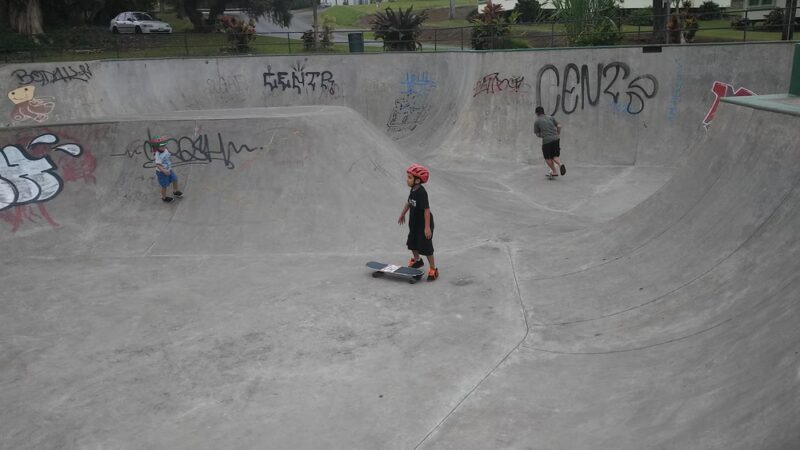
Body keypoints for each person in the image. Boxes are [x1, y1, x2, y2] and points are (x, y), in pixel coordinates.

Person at [398, 164, 438, 281]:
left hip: (424, 224)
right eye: (408, 177)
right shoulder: (413, 189)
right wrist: (402, 214)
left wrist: (427, 227)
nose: (407, 179)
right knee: (412, 242)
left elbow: (426, 210)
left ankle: (433, 268)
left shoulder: (421, 192)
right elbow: (409, 202)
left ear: (417, 180)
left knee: (426, 246)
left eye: (409, 177)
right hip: (414, 223)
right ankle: (418, 260)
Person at [533, 106, 566, 178]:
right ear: (543, 112)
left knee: (547, 158)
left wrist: (543, 135)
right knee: (554, 156)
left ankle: (554, 171)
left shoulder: (537, 121)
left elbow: (537, 133)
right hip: (556, 139)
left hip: (547, 141)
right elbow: (559, 125)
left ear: (537, 113)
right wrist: (558, 133)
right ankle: (560, 164)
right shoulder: (550, 117)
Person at [151, 135, 183, 203]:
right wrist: (164, 170)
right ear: (157, 147)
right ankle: (164, 197)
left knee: (175, 179)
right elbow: (158, 165)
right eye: (162, 147)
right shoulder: (157, 155)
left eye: (164, 146)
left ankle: (175, 191)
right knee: (164, 186)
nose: (164, 147)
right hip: (162, 172)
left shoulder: (165, 149)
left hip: (169, 170)